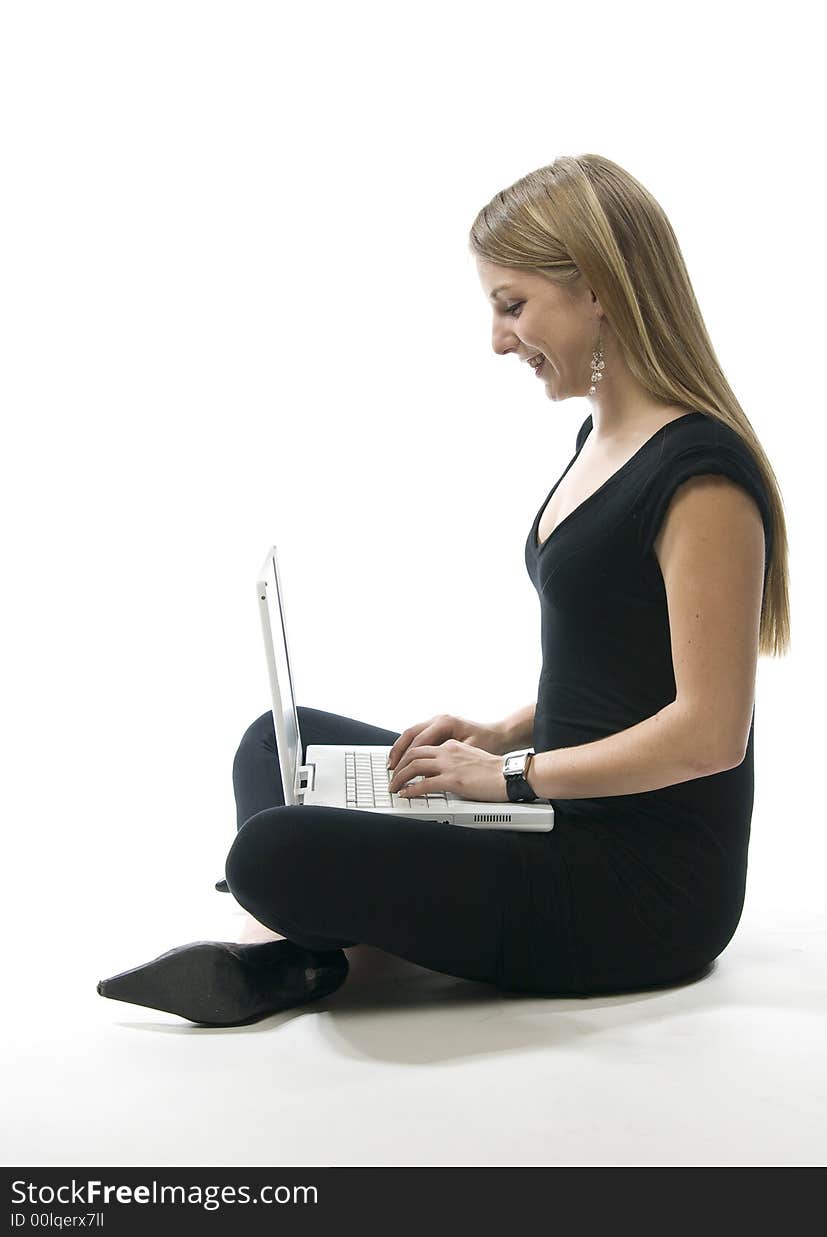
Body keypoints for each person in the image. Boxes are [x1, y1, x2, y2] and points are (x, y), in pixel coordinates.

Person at [97, 152, 791, 1026]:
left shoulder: (702, 478)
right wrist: (502, 731)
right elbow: (618, 669)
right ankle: (307, 944)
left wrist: (507, 778)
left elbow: (708, 733)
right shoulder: (598, 440)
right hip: (555, 808)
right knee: (276, 744)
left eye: (513, 304)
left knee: (273, 847)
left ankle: (289, 950)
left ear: (599, 289)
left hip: (637, 887)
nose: (499, 338)